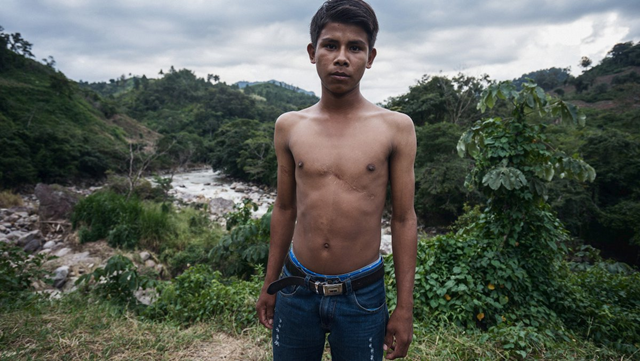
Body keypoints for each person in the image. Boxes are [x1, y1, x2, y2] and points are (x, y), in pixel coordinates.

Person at [255, 0, 417, 359]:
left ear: (370, 57)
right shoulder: (290, 126)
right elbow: (284, 207)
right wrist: (270, 284)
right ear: (313, 53)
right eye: (331, 45)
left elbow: (405, 219)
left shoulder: (396, 129)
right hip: (296, 287)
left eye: (355, 47)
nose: (341, 57)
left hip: (363, 293)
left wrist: (404, 308)